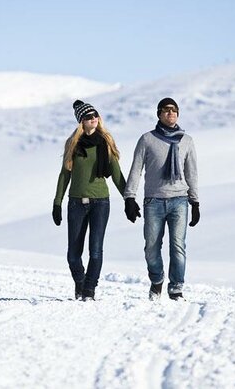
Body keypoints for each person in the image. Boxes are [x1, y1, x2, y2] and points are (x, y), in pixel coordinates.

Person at [123, 97, 200, 301]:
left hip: (179, 201)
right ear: (159, 113)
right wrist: (129, 197)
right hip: (153, 201)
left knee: (178, 245)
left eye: (174, 110)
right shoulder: (147, 139)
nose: (171, 113)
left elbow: (191, 173)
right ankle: (157, 279)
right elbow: (136, 169)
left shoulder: (187, 141)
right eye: (166, 110)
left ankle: (176, 288)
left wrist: (195, 202)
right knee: (151, 246)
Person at [52, 100, 126, 301]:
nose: (93, 119)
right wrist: (57, 202)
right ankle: (80, 281)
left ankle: (89, 290)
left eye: (95, 116)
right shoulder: (73, 144)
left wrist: (129, 198)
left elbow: (117, 174)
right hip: (76, 202)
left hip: (101, 202)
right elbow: (64, 174)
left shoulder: (105, 142)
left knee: (95, 251)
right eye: (88, 117)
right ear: (81, 122)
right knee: (73, 255)